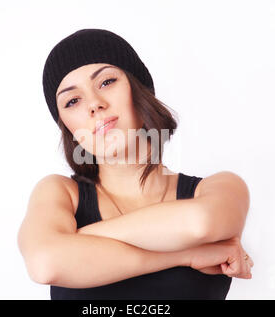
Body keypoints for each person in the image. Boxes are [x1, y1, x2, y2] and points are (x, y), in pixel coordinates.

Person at [17, 28, 253, 300]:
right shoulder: (59, 193)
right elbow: (45, 262)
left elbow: (201, 223)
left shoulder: (219, 187)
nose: (94, 104)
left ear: (139, 89)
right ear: (68, 128)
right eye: (72, 101)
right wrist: (186, 254)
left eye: (106, 82)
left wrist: (79, 238)